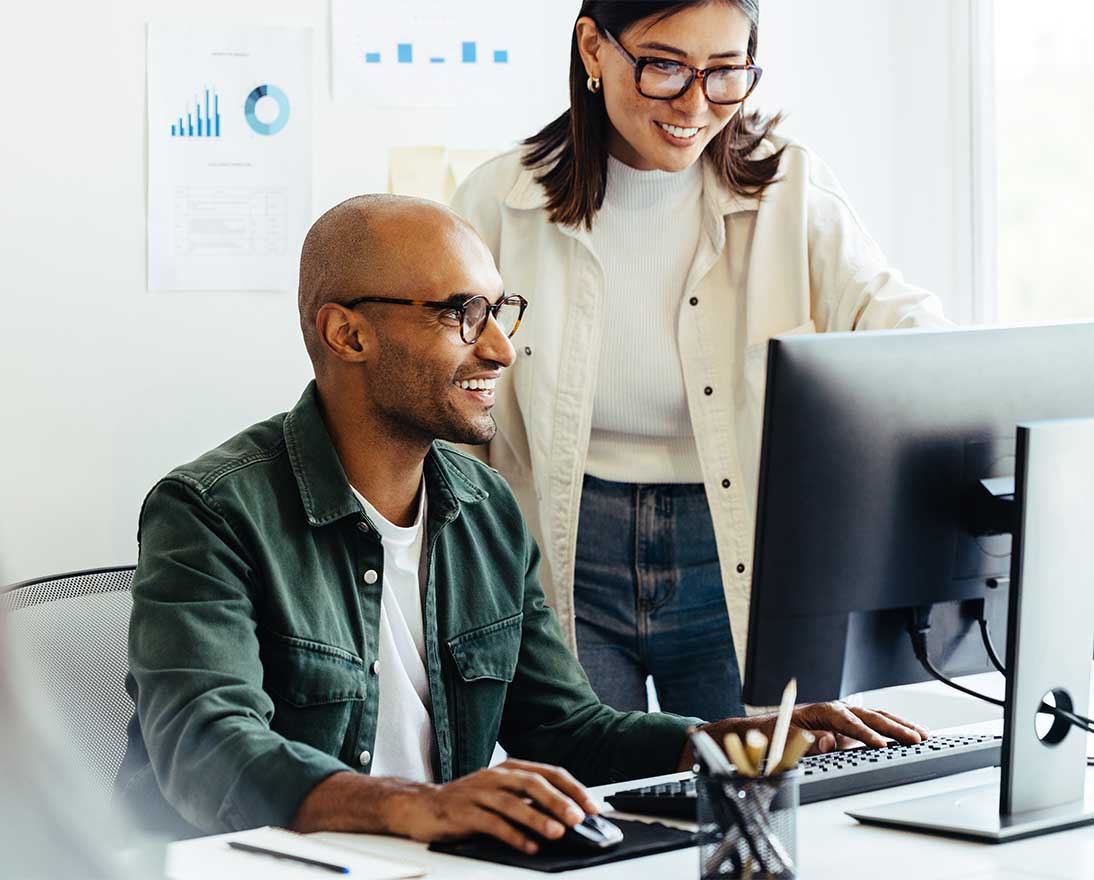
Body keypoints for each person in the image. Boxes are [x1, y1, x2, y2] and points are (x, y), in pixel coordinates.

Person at [114, 195, 929, 853]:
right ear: (347, 332)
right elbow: (205, 747)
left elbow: (568, 727)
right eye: (462, 313)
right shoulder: (210, 511)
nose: (502, 349)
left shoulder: (482, 504)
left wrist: (735, 744)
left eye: (502, 309)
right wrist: (415, 807)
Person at [450, 0, 950, 719]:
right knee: (602, 805)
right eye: (664, 66)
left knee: (750, 797)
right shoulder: (501, 200)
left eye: (725, 73)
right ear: (593, 48)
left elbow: (909, 333)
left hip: (733, 547)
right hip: (564, 547)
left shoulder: (792, 192)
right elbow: (444, 382)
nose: (694, 103)